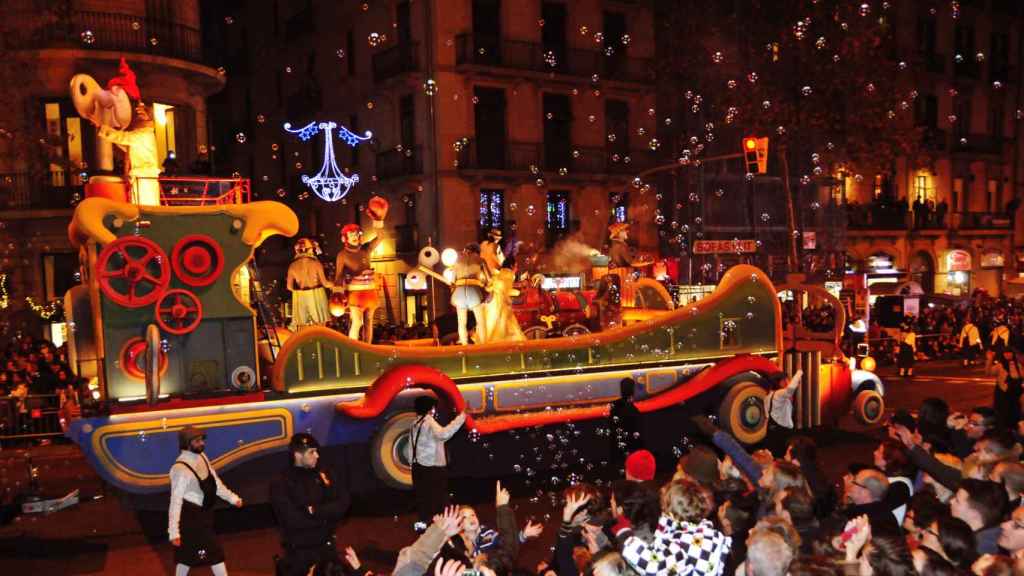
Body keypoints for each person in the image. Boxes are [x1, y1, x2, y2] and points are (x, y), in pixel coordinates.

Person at [270, 433, 351, 576]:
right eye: (311, 452)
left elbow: (343, 502)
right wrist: (326, 517)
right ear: (297, 455)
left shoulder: (325, 473)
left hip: (327, 547)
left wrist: (316, 511)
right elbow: (291, 519)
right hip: (300, 552)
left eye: (317, 451)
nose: (317, 456)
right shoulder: (282, 482)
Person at [168, 426, 242, 576]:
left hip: (204, 514)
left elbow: (214, 481)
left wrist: (232, 498)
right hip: (191, 518)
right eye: (197, 441)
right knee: (215, 554)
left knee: (186, 558)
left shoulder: (202, 456)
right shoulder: (180, 470)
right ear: (186, 443)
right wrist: (174, 532)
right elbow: (175, 501)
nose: (202, 444)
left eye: (202, 440)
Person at [334, 196, 388, 342]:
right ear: (345, 238)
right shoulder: (342, 255)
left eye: (357, 234)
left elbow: (381, 236)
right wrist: (337, 294)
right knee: (357, 322)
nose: (355, 237)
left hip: (370, 292)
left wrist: (378, 220)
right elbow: (338, 276)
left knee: (369, 323)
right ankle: (353, 347)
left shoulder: (366, 249)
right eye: (351, 235)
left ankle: (368, 349)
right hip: (355, 295)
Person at [410, 396, 467, 531]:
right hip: (432, 468)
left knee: (423, 499)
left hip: (417, 467)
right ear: (430, 409)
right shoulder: (429, 422)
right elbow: (443, 434)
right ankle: (446, 527)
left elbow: (411, 446)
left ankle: (424, 526)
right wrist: (462, 417)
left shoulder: (414, 422)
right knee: (440, 499)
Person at [286, 238, 334, 330]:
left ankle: (305, 344)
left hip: (300, 297)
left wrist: (300, 292)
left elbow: (289, 287)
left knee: (302, 329)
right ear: (310, 249)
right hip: (317, 296)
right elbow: (325, 283)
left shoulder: (292, 266)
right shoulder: (316, 263)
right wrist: (335, 284)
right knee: (320, 327)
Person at [609, 378, 642, 466]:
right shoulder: (632, 409)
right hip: (630, 447)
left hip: (617, 447)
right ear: (632, 391)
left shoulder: (614, 405)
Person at [992, 345, 1023, 430]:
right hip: (1003, 393)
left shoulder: (1017, 364)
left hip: (1015, 393)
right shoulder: (999, 365)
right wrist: (989, 359)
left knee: (1015, 412)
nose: (1008, 355)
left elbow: (1021, 376)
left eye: (1009, 353)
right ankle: (1003, 430)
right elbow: (988, 372)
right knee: (1003, 413)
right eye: (1005, 353)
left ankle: (1014, 429)